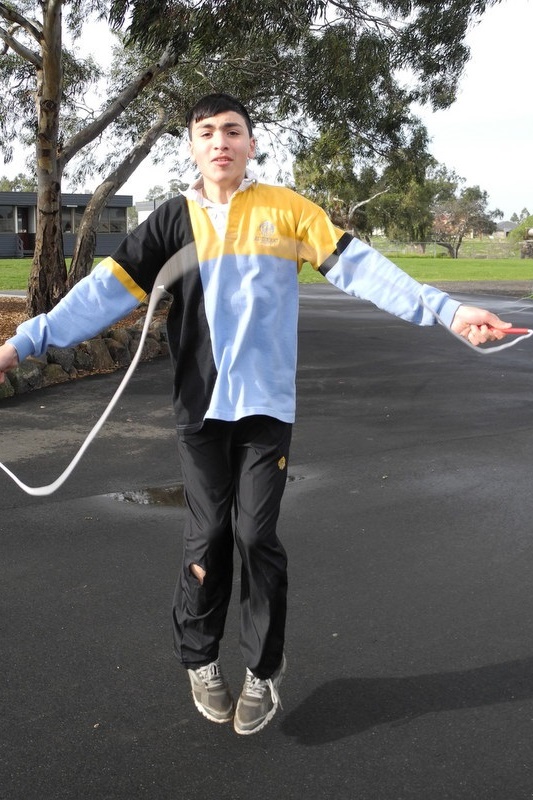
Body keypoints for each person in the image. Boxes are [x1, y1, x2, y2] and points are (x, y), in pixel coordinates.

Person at [0, 93, 511, 736]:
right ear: (192, 145)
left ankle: (263, 670)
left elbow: (365, 270)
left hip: (267, 410)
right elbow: (102, 292)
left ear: (250, 144)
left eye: (233, 131)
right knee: (208, 537)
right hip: (199, 412)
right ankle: (200, 660)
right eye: (207, 131)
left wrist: (450, 311)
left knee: (255, 538)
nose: (220, 142)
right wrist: (22, 343)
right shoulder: (169, 222)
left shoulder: (289, 212)